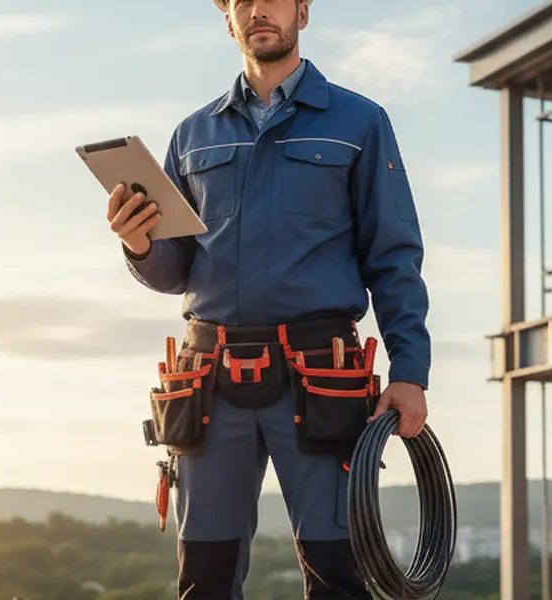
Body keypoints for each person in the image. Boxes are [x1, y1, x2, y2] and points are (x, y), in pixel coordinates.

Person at [110, 0, 431, 597]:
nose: (258, 9)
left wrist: (410, 371)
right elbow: (176, 271)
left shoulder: (359, 122)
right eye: (241, 1)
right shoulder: (192, 135)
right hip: (208, 377)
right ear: (227, 18)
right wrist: (139, 245)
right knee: (204, 576)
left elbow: (393, 256)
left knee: (337, 572)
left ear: (302, 12)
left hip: (320, 374)